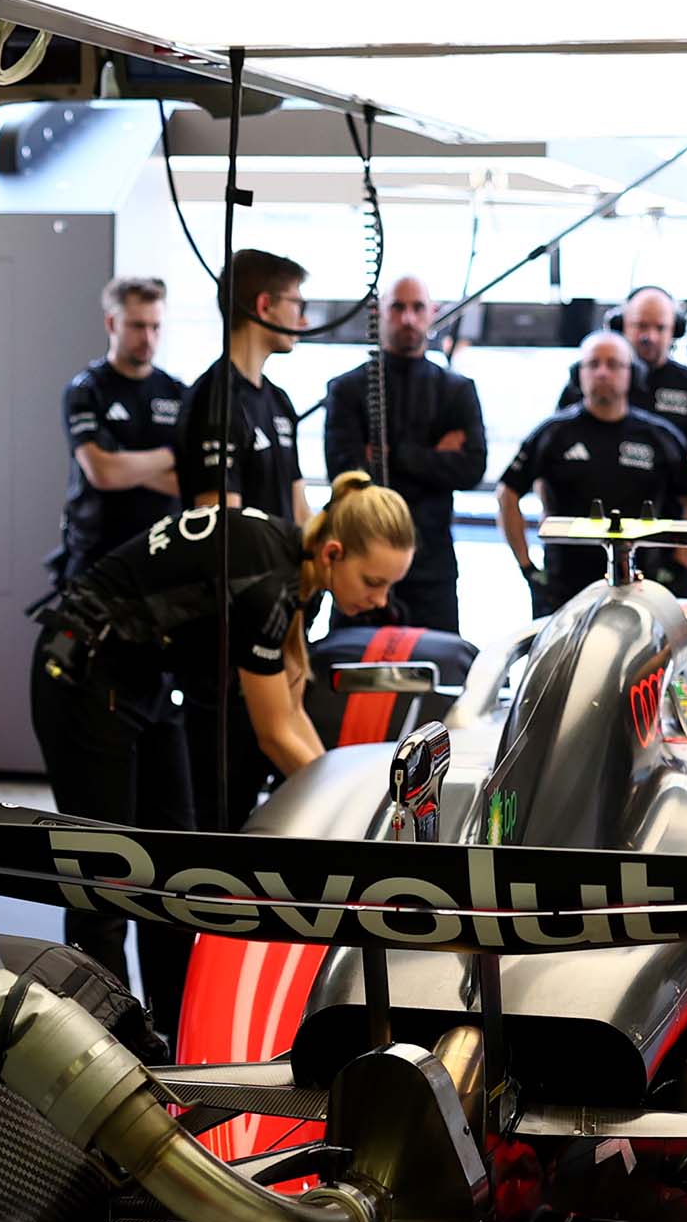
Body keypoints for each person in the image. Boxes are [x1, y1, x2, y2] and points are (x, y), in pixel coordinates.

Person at [30, 473, 414, 1027]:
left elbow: (293, 715)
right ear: (334, 553)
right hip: (85, 671)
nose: (380, 601)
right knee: (105, 879)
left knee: (173, 872)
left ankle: (171, 1033)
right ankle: (101, 1042)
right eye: (374, 582)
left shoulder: (291, 562)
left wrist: (355, 801)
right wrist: (356, 827)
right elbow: (275, 735)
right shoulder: (264, 580)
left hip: (146, 674)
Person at [498, 330, 687, 618]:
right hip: (565, 591)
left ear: (631, 373)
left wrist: (681, 563)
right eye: (593, 364)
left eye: (613, 364)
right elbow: (507, 493)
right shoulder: (553, 434)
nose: (603, 373)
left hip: (645, 588)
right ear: (578, 374)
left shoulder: (661, 437)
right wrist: (527, 566)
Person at [324, 275, 485, 632]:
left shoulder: (456, 391)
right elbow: (346, 472)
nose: (408, 319)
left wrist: (390, 456)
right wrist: (434, 456)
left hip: (433, 569)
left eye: (416, 308)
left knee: (437, 673)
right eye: (397, 307)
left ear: (433, 312)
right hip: (360, 567)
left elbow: (471, 468)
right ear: (378, 312)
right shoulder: (348, 389)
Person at [559, 286, 687, 600]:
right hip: (582, 555)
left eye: (659, 328)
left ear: (674, 329)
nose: (649, 336)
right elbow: (549, 456)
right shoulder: (588, 381)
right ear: (623, 325)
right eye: (640, 327)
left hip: (665, 552)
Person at [51, 274, 186, 588]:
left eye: (156, 327)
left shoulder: (178, 393)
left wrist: (125, 465)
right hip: (97, 557)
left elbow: (190, 482)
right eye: (137, 326)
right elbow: (104, 473)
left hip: (164, 555)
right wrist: (171, 455)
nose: (148, 337)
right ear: (112, 324)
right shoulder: (86, 390)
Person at [178, 249, 310, 526]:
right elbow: (221, 529)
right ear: (265, 306)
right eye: (298, 304)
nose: (304, 321)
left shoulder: (280, 401)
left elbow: (300, 515)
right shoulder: (214, 400)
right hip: (244, 569)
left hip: (284, 567)